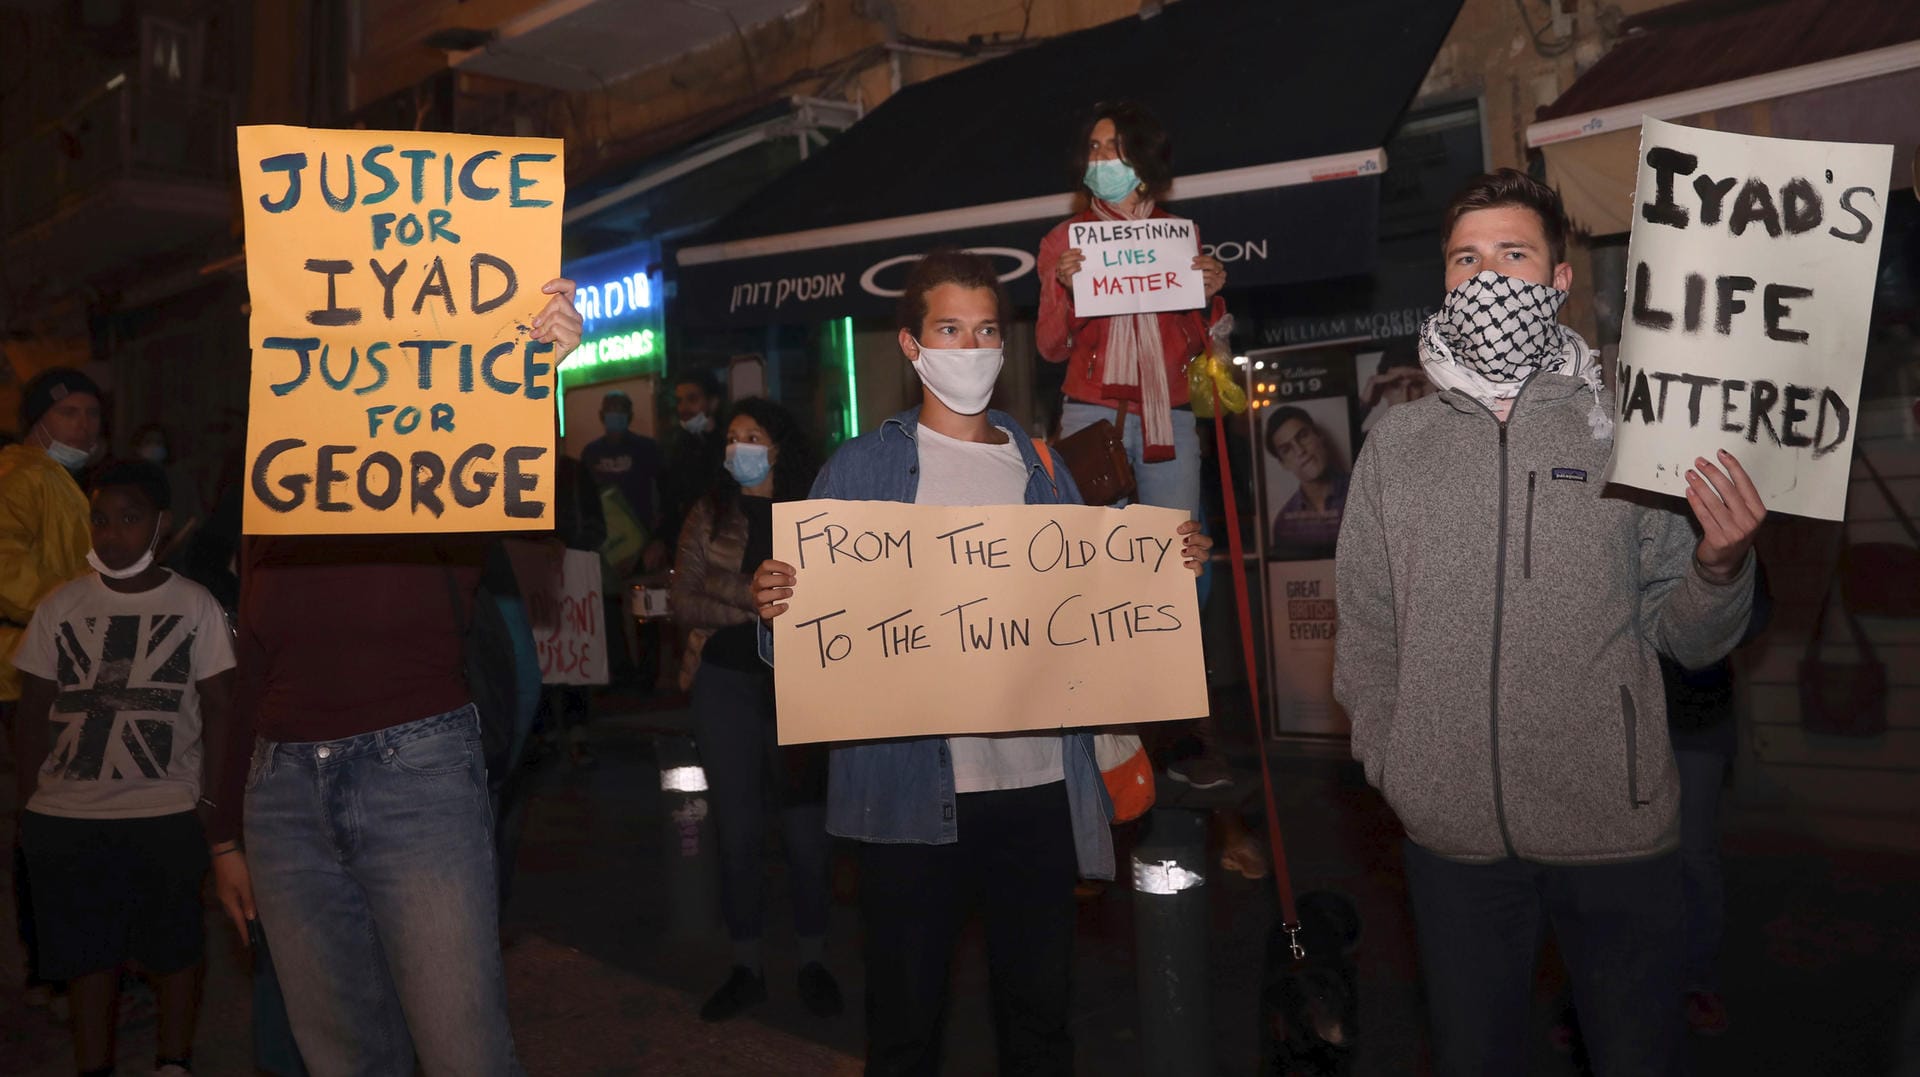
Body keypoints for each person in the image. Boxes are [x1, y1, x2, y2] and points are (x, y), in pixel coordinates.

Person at [1333, 169, 1763, 1077]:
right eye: (1466, 258)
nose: (1487, 276)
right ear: (1444, 279)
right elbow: (1366, 625)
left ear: (1558, 281)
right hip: (1450, 841)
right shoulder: (1396, 447)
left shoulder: (1628, 429)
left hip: (1616, 827)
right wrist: (1393, 758)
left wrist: (1719, 566)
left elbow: (1687, 636)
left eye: (1513, 254)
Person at [751, 251, 1211, 1074]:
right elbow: (807, 643)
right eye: (950, 329)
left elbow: (1093, 612)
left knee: (1040, 1021)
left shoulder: (1044, 470)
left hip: (1036, 792)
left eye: (987, 330)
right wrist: (776, 604)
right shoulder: (861, 468)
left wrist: (1164, 567)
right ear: (912, 345)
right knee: (904, 1027)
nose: (971, 346)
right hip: (905, 799)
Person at [202, 278, 584, 1076]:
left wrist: (540, 374)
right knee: (341, 1059)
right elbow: (254, 663)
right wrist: (226, 831)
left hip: (419, 776)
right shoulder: (271, 475)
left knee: (464, 1054)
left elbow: (544, 498)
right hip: (282, 795)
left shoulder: (440, 450)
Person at [10, 460, 244, 1077]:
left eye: (130, 519)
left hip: (165, 809)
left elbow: (221, 707)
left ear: (161, 526)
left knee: (174, 948)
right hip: (67, 814)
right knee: (88, 956)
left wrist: (214, 804)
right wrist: (32, 801)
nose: (111, 533)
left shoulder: (195, 605)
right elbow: (33, 708)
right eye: (100, 520)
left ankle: (173, 1060)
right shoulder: (60, 606)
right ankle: (94, 1065)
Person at [1037, 100, 1233, 793]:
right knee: (1088, 564)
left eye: (1114, 148)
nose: (1101, 161)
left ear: (1145, 162)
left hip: (1169, 414)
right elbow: (1050, 345)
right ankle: (1093, 725)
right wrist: (1064, 291)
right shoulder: (1065, 240)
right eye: (1093, 149)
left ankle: (1176, 724)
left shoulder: (1182, 237)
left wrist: (1209, 295)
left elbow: (1202, 341)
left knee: (1176, 564)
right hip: (1091, 413)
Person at [672, 397, 838, 1023]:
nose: (738, 446)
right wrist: (748, 596)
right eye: (732, 436)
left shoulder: (814, 513)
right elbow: (682, 599)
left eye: (753, 435)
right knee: (738, 832)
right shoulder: (709, 515)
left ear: (778, 446)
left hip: (801, 688)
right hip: (725, 688)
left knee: (806, 834)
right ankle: (746, 966)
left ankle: (815, 961)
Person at [2, 367, 104, 1009]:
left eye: (93, 414)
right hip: (26, 675)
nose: (84, 426)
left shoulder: (62, 482)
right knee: (45, 818)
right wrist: (69, 616)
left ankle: (69, 957)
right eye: (69, 413)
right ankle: (53, 961)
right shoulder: (20, 480)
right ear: (39, 418)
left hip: (60, 669)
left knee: (64, 815)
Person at [1263, 405, 1350, 558]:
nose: (1300, 451)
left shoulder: (1362, 492)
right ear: (1283, 464)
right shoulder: (1284, 523)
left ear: (1319, 436)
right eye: (1287, 449)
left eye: (1303, 436)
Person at [128, 422, 209, 567]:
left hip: (177, 556)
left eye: (158, 442)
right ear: (137, 446)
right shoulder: (127, 481)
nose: (154, 446)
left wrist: (175, 543)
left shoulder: (181, 480)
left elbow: (196, 518)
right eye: (148, 442)